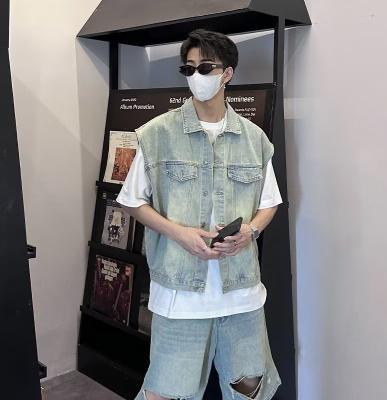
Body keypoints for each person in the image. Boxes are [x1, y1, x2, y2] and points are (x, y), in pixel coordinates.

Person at [116, 29, 282, 400]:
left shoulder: (254, 139)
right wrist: (180, 233)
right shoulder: (157, 133)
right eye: (188, 68)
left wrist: (250, 232)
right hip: (179, 293)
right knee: (166, 391)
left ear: (227, 74)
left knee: (249, 389)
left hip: (241, 292)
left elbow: (269, 202)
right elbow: (131, 200)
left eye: (205, 67)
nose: (195, 76)